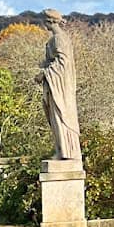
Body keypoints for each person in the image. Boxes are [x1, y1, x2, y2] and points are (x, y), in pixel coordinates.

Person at [39, 9, 82, 161]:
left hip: (60, 86)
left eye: (44, 21)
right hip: (56, 84)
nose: (43, 24)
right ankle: (62, 151)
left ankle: (66, 152)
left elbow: (62, 62)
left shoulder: (59, 38)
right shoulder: (57, 39)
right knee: (56, 118)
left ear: (50, 21)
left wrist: (44, 73)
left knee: (60, 117)